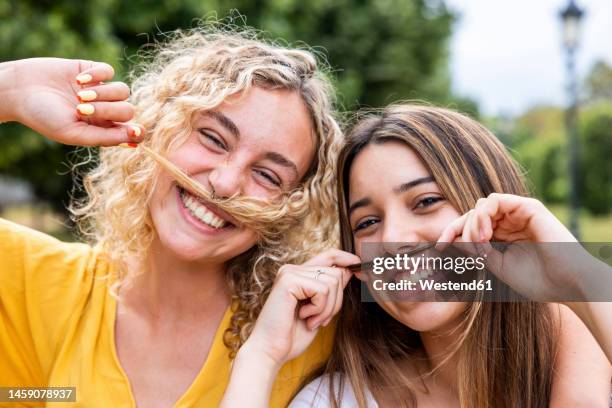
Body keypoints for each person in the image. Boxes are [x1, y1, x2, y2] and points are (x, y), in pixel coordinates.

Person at [0, 25, 359, 407]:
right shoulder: (36, 283)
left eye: (268, 175)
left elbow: (428, 278)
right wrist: (8, 89)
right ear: (158, 126)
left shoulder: (311, 325)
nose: (223, 183)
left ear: (294, 208)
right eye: (213, 138)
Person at [220, 104, 612, 408]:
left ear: (495, 212)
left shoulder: (578, 348)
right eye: (368, 222)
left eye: (425, 201)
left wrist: (580, 275)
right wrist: (261, 355)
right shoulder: (339, 399)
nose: (393, 239)